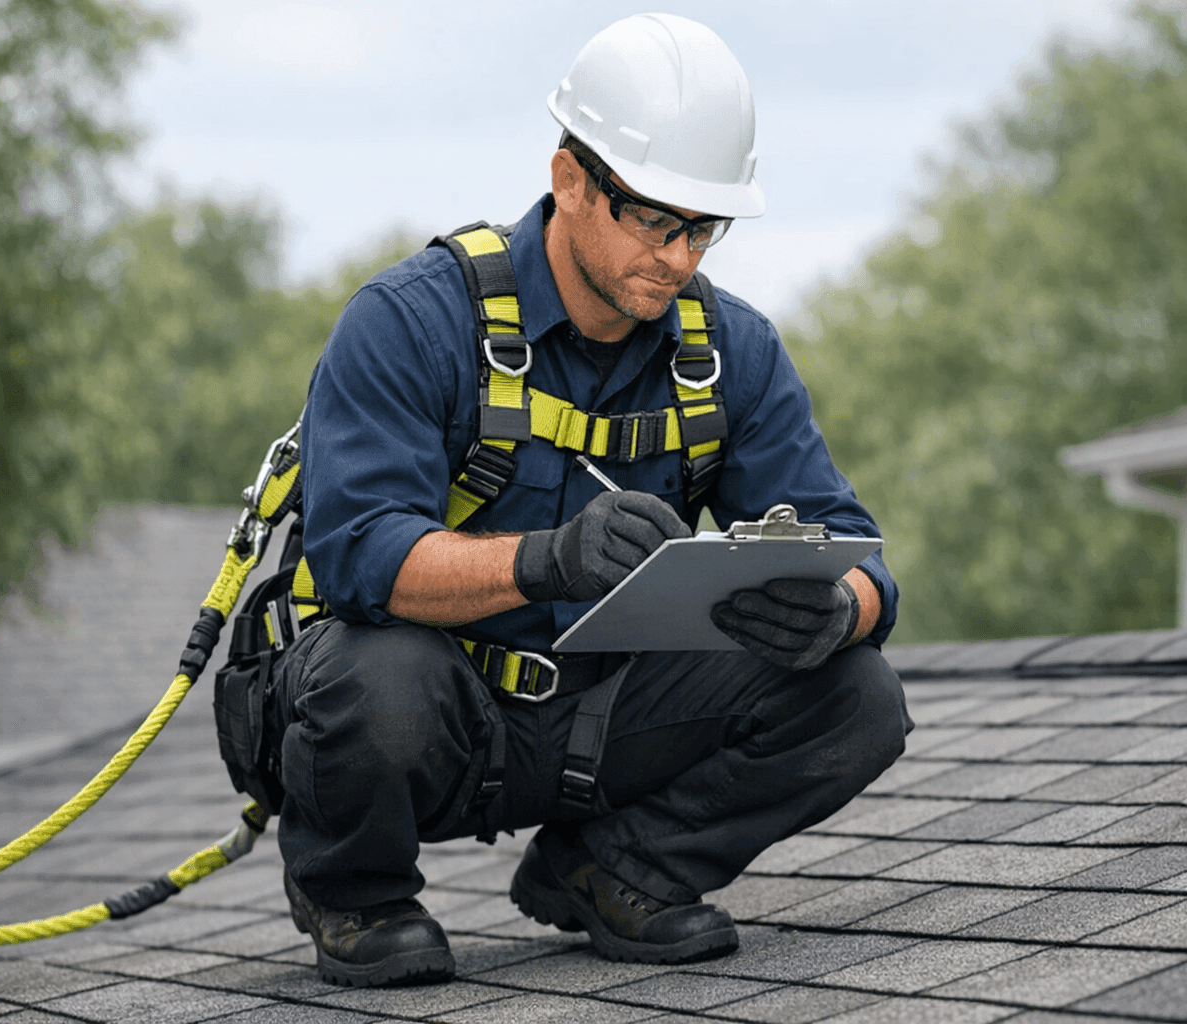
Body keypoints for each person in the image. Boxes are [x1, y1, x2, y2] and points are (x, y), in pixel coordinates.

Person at [268, 12, 910, 989]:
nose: (684, 257)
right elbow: (358, 555)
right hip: (435, 719)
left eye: (706, 227)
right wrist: (547, 559)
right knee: (370, 675)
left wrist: (838, 608)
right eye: (658, 220)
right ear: (572, 180)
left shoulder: (732, 350)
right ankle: (353, 891)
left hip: (605, 723)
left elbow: (859, 551)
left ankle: (612, 870)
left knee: (858, 695)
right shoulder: (411, 322)